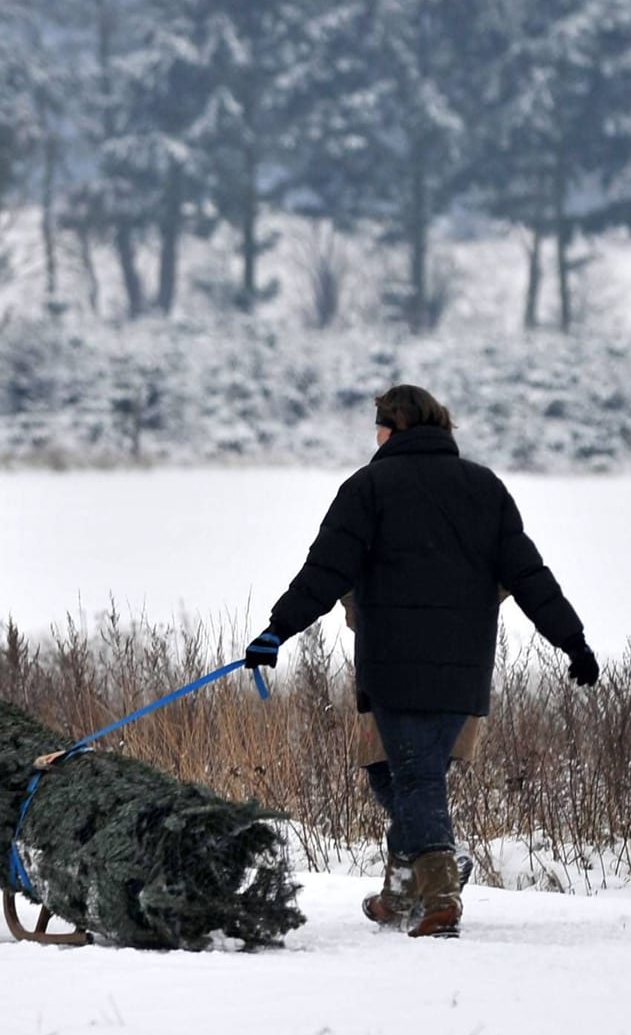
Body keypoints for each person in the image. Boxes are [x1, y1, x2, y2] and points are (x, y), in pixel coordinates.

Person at [244, 385, 598, 938]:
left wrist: (276, 630)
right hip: (463, 665)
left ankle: (440, 897)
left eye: (378, 428)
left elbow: (325, 571)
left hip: (395, 663)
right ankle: (399, 892)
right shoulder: (485, 488)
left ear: (390, 429)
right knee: (397, 778)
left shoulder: (368, 487)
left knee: (413, 781)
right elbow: (529, 576)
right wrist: (572, 642)